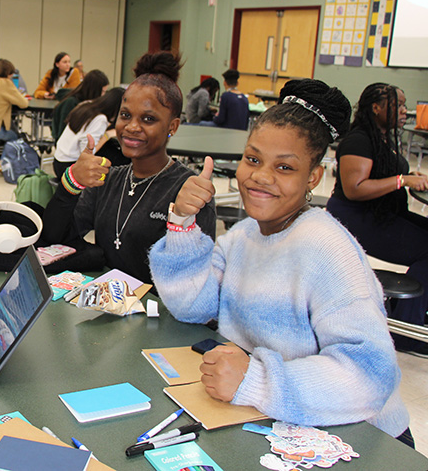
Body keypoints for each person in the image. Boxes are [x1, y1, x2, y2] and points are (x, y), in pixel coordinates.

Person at [148, 79, 412, 446]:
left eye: (285, 168)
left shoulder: (328, 249)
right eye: (252, 159)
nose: (260, 176)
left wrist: (256, 380)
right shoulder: (242, 236)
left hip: (362, 439)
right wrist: (182, 223)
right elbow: (194, 306)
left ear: (313, 178)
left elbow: (371, 375)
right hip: (278, 419)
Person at [41, 51, 216, 283]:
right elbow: (53, 240)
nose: (132, 127)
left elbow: (195, 279)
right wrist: (72, 182)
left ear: (172, 126)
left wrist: (182, 219)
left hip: (159, 312)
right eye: (125, 115)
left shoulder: (187, 190)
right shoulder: (109, 180)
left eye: (148, 119)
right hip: (108, 305)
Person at [327, 83, 428, 356]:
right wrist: (403, 180)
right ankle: (407, 331)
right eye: (399, 105)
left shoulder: (384, 138)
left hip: (383, 214)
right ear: (376, 108)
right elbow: (355, 189)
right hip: (357, 219)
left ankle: (411, 312)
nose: (405, 112)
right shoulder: (359, 140)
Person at [53, 87, 124, 179]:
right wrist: (108, 135)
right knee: (119, 160)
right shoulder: (100, 119)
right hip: (69, 168)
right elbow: (87, 153)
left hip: (58, 161)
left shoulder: (86, 105)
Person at [50, 69, 110, 142]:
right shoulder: (70, 103)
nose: (103, 95)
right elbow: (62, 135)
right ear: (94, 90)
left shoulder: (87, 103)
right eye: (103, 91)